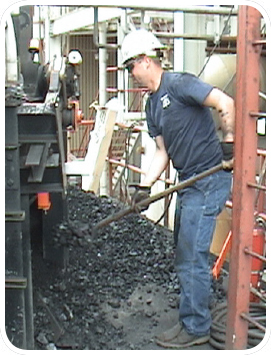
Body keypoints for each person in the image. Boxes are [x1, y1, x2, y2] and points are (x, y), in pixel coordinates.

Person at [121, 28, 235, 349]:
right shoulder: (152, 106)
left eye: (131, 66)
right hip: (188, 182)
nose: (131, 74)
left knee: (194, 257)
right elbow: (162, 152)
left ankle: (196, 327)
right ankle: (190, 319)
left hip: (209, 179)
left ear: (145, 61)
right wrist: (145, 186)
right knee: (183, 254)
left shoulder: (181, 84)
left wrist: (229, 143)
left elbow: (224, 102)